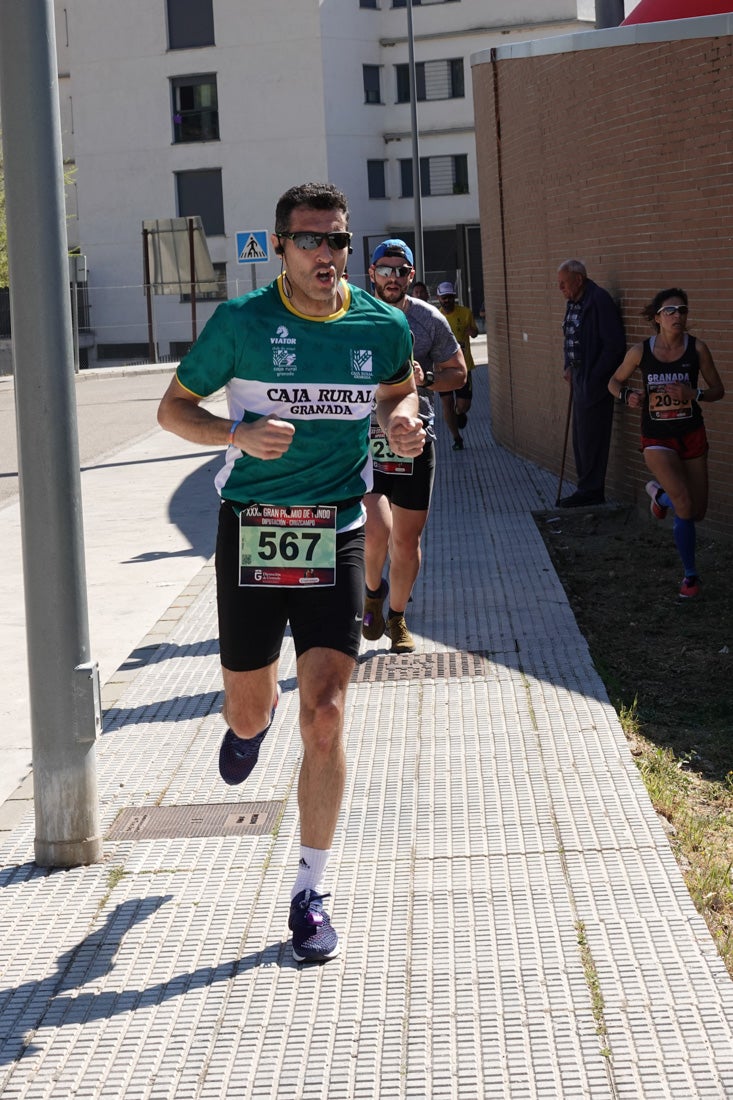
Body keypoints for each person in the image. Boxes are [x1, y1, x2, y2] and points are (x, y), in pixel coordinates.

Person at [157, 183, 425, 963]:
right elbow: (173, 410)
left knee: (329, 716)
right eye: (310, 241)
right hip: (250, 529)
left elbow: (397, 388)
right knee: (248, 713)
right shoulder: (241, 324)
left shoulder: (378, 324)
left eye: (338, 241)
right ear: (280, 247)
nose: (327, 256)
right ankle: (251, 724)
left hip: (336, 526)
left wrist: (400, 419)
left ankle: (310, 891)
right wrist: (234, 431)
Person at [363, 240, 466, 653]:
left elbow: (457, 374)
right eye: (384, 270)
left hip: (412, 439)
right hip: (365, 437)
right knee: (374, 530)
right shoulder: (353, 317)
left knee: (406, 541)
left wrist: (425, 381)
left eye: (400, 271)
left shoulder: (428, 320)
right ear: (371, 274)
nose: (392, 277)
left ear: (411, 275)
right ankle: (372, 593)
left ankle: (397, 617)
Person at [608, 287, 725, 599]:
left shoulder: (697, 349)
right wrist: (627, 395)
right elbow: (613, 380)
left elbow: (718, 390)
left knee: (696, 511)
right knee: (684, 504)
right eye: (671, 311)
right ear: (657, 318)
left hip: (691, 433)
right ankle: (690, 577)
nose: (678, 316)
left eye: (682, 310)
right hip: (657, 437)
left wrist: (694, 395)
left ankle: (659, 496)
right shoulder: (640, 352)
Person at [557, 260, 626, 506]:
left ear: (578, 279)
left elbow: (614, 345)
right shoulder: (574, 302)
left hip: (593, 378)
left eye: (564, 283)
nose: (560, 288)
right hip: (578, 375)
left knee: (592, 436)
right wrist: (568, 365)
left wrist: (596, 375)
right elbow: (570, 336)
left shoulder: (599, 301)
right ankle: (585, 488)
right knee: (581, 437)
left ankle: (592, 491)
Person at [436, 281, 479, 450]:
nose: (447, 300)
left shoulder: (465, 313)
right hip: (442, 369)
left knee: (463, 405)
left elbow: (475, 332)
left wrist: (472, 332)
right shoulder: (435, 317)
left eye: (450, 297)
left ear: (455, 297)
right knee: (446, 403)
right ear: (439, 298)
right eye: (444, 297)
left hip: (464, 367)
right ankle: (457, 438)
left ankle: (459, 412)